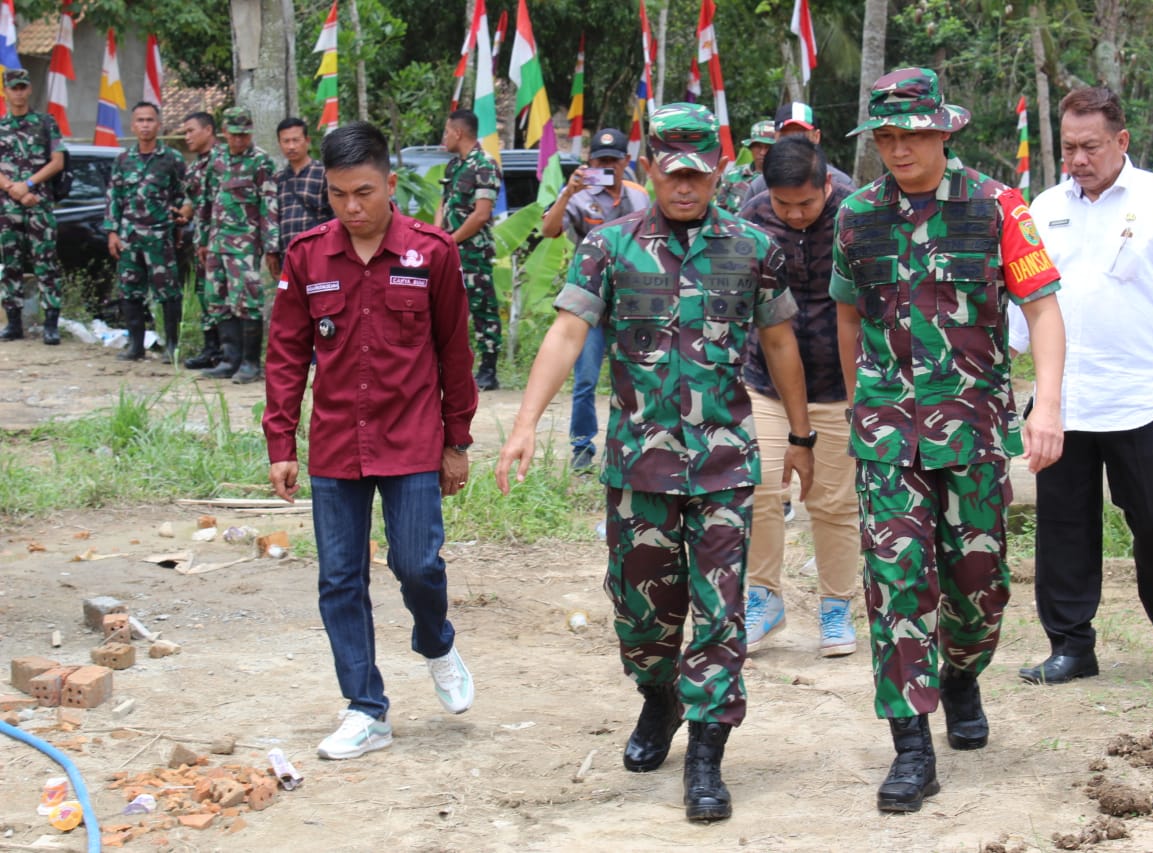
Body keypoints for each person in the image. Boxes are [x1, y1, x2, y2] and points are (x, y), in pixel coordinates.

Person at [497, 103, 815, 823]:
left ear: (719, 172)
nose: (684, 186)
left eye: (697, 174)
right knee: (642, 618)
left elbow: (781, 344)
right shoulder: (608, 247)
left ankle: (707, 752)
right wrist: (523, 424)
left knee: (719, 614)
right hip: (638, 468)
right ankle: (659, 697)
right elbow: (569, 330)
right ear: (649, 169)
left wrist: (801, 435)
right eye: (671, 172)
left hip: (727, 466)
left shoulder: (751, 248)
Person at [833, 67, 1066, 813]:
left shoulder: (999, 208)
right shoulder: (857, 214)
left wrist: (1047, 405)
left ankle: (962, 672)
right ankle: (911, 747)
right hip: (885, 438)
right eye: (887, 138)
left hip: (971, 432)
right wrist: (859, 407)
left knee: (977, 588)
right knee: (896, 585)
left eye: (914, 135)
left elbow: (1045, 309)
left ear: (945, 132)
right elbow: (847, 316)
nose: (899, 150)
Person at [263, 120, 479, 760]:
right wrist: (281, 443)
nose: (352, 208)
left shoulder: (432, 252)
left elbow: (453, 353)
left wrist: (457, 440)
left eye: (363, 192)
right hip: (335, 444)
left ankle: (436, 640)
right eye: (337, 195)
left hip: (411, 438)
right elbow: (285, 356)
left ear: (390, 183)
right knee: (340, 579)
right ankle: (366, 709)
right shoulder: (307, 256)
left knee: (417, 564)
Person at [1010, 86, 1153, 686]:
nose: (1078, 159)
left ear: (1121, 141)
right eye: (1069, 147)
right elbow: (1022, 309)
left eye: (1091, 146)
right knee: (1063, 530)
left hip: (1142, 399)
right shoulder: (1044, 206)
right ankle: (1072, 645)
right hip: (1064, 403)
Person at [738, 136, 858, 657]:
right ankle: (764, 598)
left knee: (832, 502)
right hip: (764, 380)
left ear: (826, 185)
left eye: (805, 204)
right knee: (763, 486)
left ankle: (837, 606)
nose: (794, 214)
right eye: (784, 205)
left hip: (836, 384)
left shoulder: (856, 214)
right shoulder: (752, 213)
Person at [541, 127, 650, 471]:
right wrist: (567, 192)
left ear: (626, 162)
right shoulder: (578, 196)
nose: (607, 168)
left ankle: (635, 445)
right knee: (585, 379)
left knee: (636, 376)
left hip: (632, 302)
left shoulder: (640, 195)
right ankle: (582, 448)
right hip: (589, 300)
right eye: (600, 162)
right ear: (589, 163)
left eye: (613, 162)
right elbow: (548, 230)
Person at [194, 106, 278, 383]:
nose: (240, 140)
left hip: (245, 244)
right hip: (217, 242)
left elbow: (269, 206)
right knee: (217, 299)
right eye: (234, 135)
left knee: (248, 301)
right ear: (225, 132)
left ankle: (251, 363)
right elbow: (206, 200)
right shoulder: (216, 158)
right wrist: (202, 238)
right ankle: (229, 360)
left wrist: (271, 246)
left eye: (244, 134)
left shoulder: (261, 161)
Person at [104, 101, 188, 363]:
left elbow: (185, 194)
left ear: (158, 124)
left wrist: (183, 215)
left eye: (150, 120)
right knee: (130, 292)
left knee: (169, 293)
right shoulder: (123, 160)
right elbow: (114, 197)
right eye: (140, 120)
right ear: (133, 125)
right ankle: (136, 345)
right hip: (129, 237)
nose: (145, 125)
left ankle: (172, 345)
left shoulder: (172, 159)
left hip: (161, 236)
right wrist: (112, 233)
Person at [0, 68, 66, 345]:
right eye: (13, 88)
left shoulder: (45, 122)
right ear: (6, 91)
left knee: (46, 263)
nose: (18, 92)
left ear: (29, 90)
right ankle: (13, 323)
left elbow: (58, 161)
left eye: (23, 87)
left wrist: (27, 185)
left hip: (38, 203)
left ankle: (51, 324)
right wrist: (11, 189)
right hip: (7, 207)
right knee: (10, 264)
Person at [437, 109, 502, 391]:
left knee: (482, 307)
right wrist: (437, 236)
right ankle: (451, 367)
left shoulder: (484, 165)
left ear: (458, 133)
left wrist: (451, 240)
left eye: (446, 132)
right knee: (446, 309)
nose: (444, 138)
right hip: (448, 250)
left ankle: (489, 368)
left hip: (473, 252)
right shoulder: (453, 167)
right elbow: (444, 204)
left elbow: (481, 214)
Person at [179, 111, 223, 370]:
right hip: (201, 240)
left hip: (226, 241)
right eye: (184, 132)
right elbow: (192, 200)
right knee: (205, 294)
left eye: (190, 131)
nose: (187, 137)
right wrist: (184, 211)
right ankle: (211, 349)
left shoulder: (225, 160)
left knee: (225, 296)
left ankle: (230, 353)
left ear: (208, 130)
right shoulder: (195, 166)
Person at [745, 102, 852, 199]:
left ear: (816, 137)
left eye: (800, 135)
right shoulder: (759, 187)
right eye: (785, 136)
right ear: (775, 138)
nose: (793, 143)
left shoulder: (842, 184)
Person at [268, 117, 333, 278]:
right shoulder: (277, 179)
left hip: (320, 254)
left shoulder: (324, 173)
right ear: (280, 144)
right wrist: (272, 251)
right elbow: (273, 219)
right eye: (286, 141)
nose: (291, 146)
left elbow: (336, 215)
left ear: (307, 141)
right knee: (291, 301)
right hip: (288, 257)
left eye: (296, 140)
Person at [716, 120, 773, 215]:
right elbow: (718, 210)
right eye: (758, 147)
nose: (763, 152)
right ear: (750, 147)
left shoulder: (783, 178)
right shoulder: (734, 175)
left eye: (768, 147)